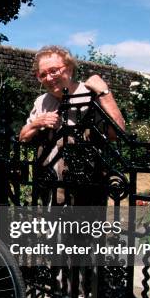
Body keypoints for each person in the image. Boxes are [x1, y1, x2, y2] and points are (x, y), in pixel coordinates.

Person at [19, 45, 125, 205]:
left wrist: (104, 92)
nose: (48, 78)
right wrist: (37, 123)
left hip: (85, 187)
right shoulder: (41, 101)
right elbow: (23, 138)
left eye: (54, 70)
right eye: (43, 75)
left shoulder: (89, 94)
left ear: (69, 68)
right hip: (50, 184)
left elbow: (117, 133)